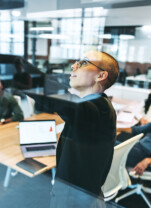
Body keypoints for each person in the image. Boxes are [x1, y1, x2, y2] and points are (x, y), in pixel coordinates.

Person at [30, 51, 119, 195]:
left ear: (101, 75)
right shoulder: (100, 107)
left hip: (73, 200)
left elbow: (47, 89)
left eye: (83, 63)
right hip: (82, 196)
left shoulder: (98, 109)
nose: (73, 66)